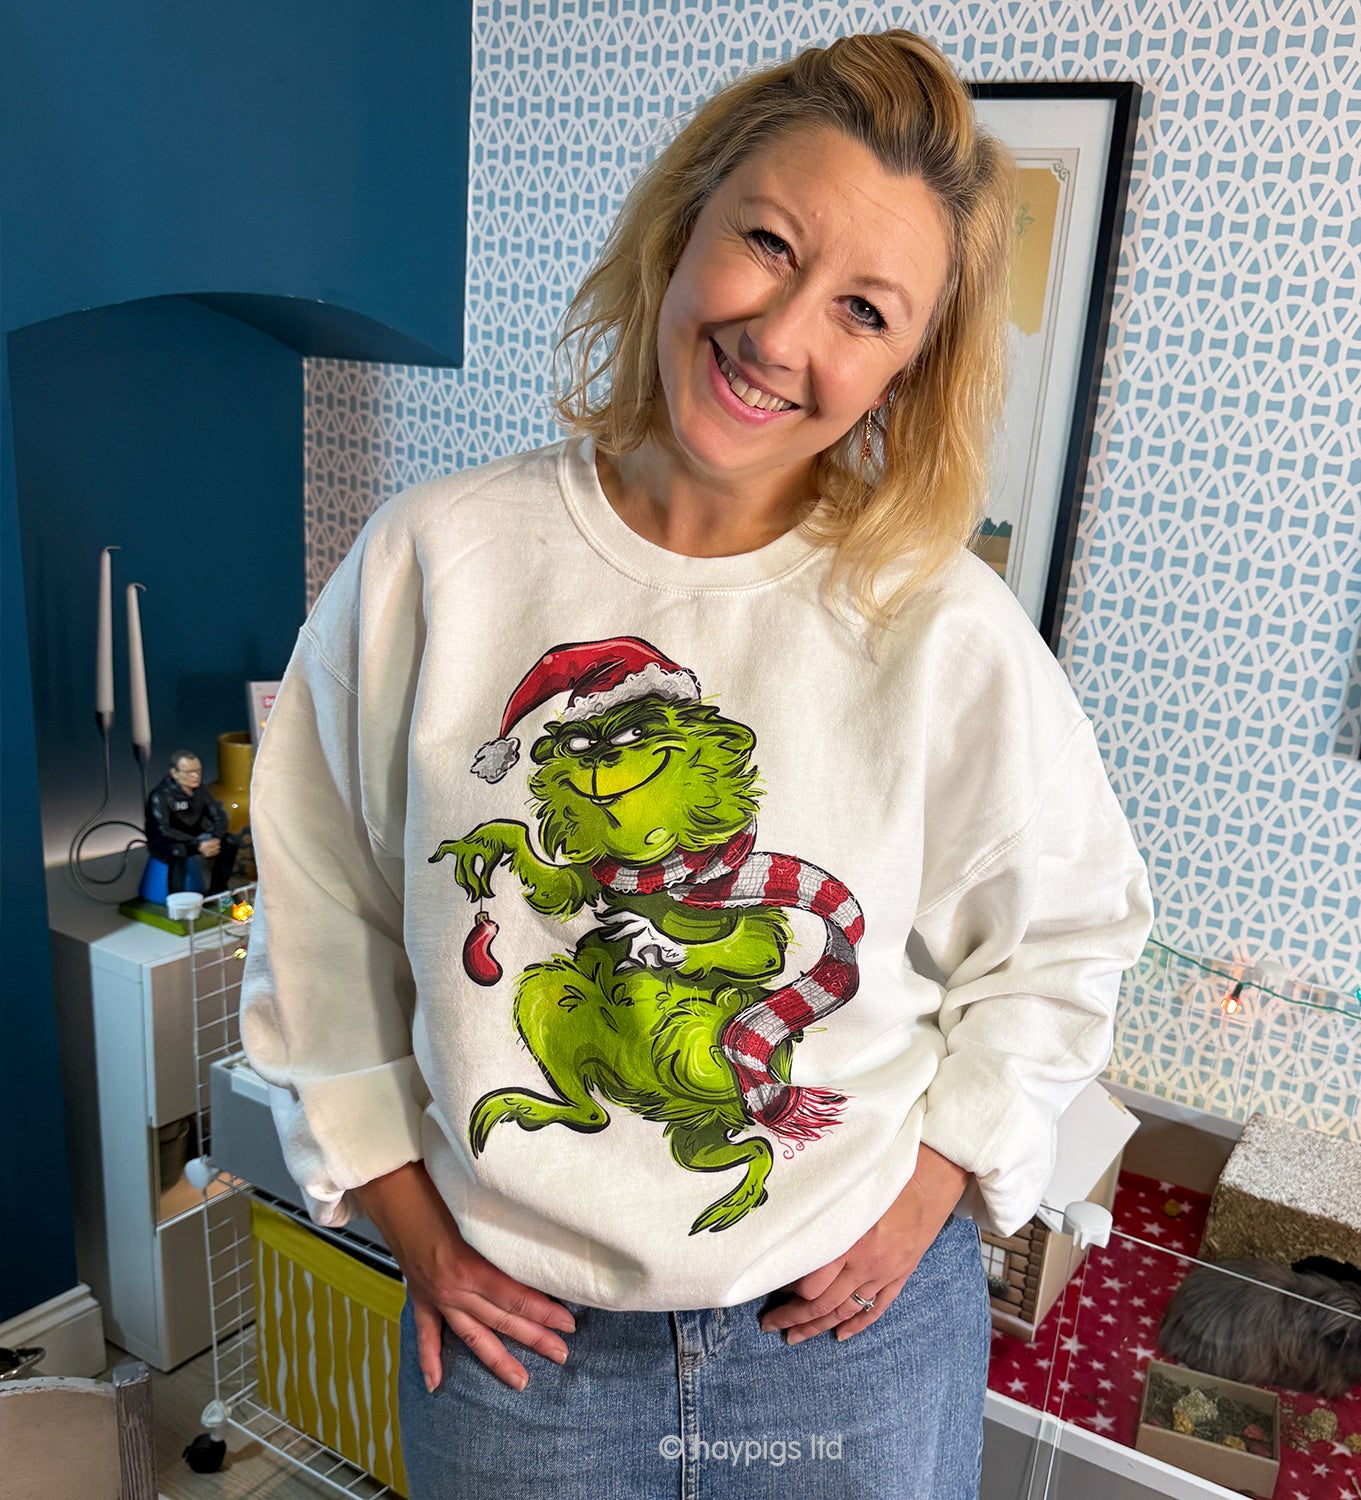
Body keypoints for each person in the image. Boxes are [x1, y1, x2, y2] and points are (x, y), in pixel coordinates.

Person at [241, 28, 1152, 1499]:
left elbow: (1065, 939)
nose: (783, 336)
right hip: (520, 1351)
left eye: (863, 310)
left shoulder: (941, 625)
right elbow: (317, 912)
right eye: (767, 244)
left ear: (904, 369)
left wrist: (932, 1190)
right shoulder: (434, 561)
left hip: (845, 1341)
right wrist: (410, 1223)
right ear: (682, 226)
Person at [142, 750, 235, 897]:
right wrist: (197, 843)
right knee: (178, 851)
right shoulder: (160, 796)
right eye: (189, 772)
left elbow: (219, 816)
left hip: (196, 838)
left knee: (229, 842)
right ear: (175, 773)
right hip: (167, 842)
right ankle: (177, 898)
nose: (195, 776)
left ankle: (218, 890)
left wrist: (215, 838)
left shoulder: (201, 791)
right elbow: (164, 830)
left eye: (198, 771)